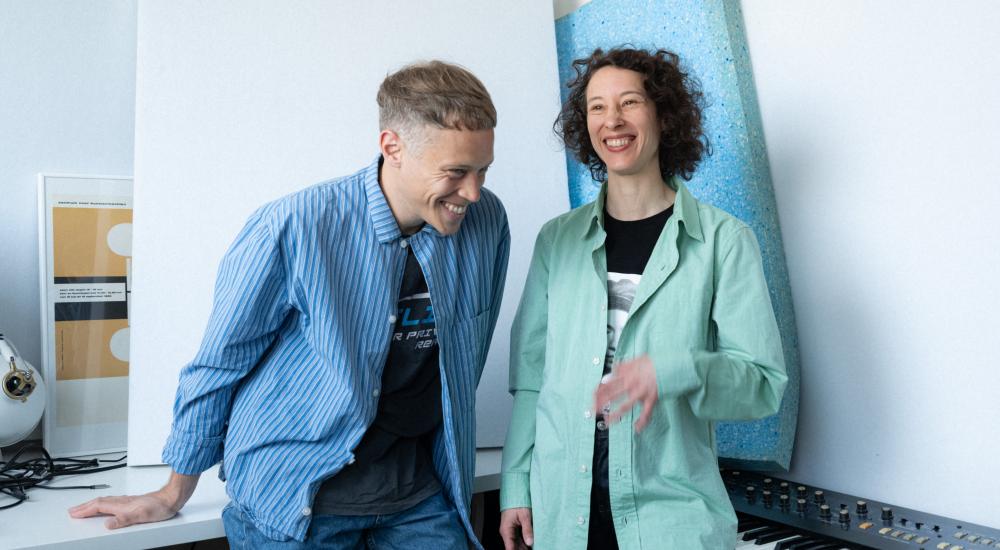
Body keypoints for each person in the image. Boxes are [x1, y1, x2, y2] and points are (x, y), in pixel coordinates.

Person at [69, 60, 510, 549]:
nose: (472, 191)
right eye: (455, 172)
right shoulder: (293, 225)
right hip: (293, 492)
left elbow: (466, 354)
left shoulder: (486, 221)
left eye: (483, 170)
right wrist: (174, 492)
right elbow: (220, 362)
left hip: (415, 491)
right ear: (393, 147)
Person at [498, 47, 787, 549]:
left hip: (670, 520)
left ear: (662, 114)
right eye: (596, 107)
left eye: (630, 102)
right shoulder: (555, 241)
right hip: (562, 514)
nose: (613, 120)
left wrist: (678, 368)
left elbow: (763, 384)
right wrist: (516, 486)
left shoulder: (724, 241)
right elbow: (532, 378)